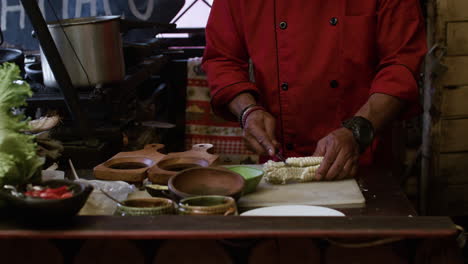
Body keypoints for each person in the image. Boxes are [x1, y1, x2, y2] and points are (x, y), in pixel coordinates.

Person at [202, 0, 427, 180]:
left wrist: (357, 132)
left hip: (365, 159)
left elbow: (401, 63)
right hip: (281, 160)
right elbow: (222, 59)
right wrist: (248, 110)